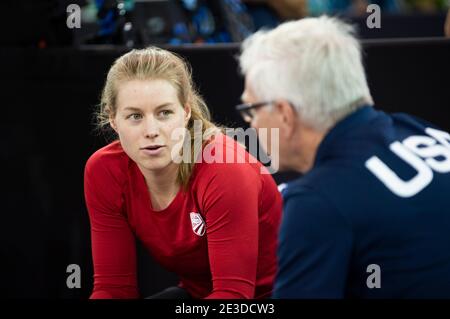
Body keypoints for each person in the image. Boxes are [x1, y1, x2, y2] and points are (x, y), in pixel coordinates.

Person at [238, 16, 450, 298]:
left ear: (285, 115)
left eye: (251, 109)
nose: (250, 124)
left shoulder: (317, 202)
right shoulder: (422, 131)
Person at [84, 47, 282, 299]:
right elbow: (113, 290)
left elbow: (233, 296)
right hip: (199, 295)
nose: (151, 130)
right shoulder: (104, 170)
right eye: (135, 116)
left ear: (185, 112)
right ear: (113, 120)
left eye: (164, 113)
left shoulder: (224, 168)